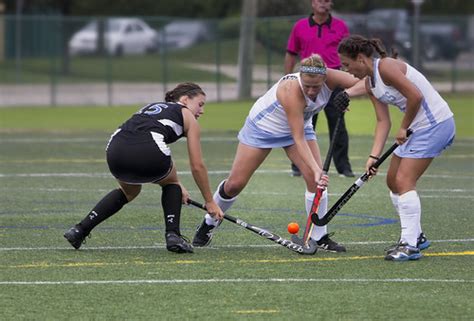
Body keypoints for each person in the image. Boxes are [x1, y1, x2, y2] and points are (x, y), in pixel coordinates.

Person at [192, 54, 361, 252]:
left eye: (316, 87)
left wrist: (348, 94)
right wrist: (316, 168)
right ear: (300, 77)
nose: (312, 91)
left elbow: (367, 82)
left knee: (316, 183)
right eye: (307, 86)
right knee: (235, 184)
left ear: (325, 79)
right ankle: (209, 222)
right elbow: (298, 138)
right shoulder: (291, 90)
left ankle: (319, 235)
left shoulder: (332, 77)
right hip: (263, 128)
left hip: (299, 124)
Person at [63, 82, 224, 253]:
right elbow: (197, 165)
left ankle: (80, 230)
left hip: (115, 150)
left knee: (130, 191)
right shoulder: (188, 116)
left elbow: (144, 135)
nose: (202, 110)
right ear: (185, 100)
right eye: (200, 104)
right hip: (147, 150)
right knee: (171, 185)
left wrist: (176, 184)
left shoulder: (152, 106)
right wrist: (210, 202)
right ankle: (173, 236)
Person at [338, 35, 456, 261]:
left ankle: (409, 245)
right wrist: (374, 156)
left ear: (361, 58)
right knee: (392, 181)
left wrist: (403, 128)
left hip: (435, 124)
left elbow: (416, 96)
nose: (347, 69)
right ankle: (417, 236)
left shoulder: (386, 67)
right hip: (416, 128)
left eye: (347, 64)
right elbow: (383, 122)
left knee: (404, 181)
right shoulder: (371, 83)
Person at [285, 0, 354, 178]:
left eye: (328, 0)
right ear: (312, 3)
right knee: (304, 124)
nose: (324, 3)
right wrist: (286, 80)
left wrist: (346, 80)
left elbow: (347, 56)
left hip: (333, 83)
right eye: (320, 0)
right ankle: (298, 165)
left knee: (338, 124)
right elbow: (291, 53)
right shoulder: (299, 26)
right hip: (306, 84)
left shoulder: (340, 26)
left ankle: (343, 167)